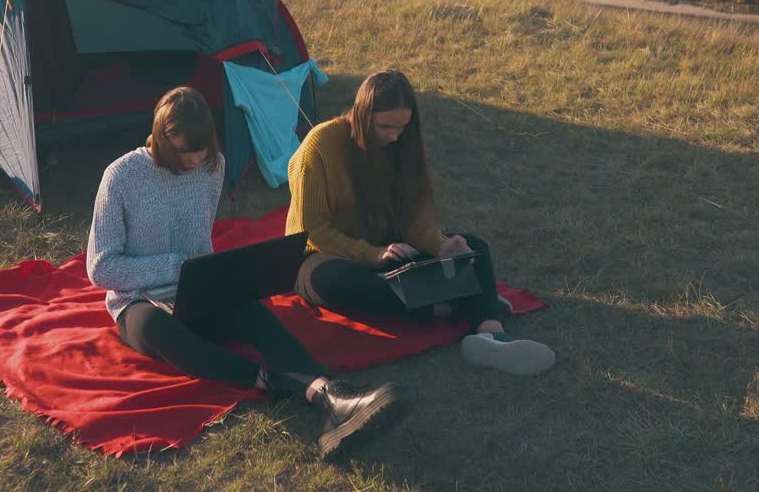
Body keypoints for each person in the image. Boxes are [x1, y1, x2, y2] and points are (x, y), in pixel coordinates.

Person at [87, 86, 401, 457]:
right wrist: (174, 265)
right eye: (186, 151)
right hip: (138, 301)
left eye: (202, 150)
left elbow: (199, 239)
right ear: (162, 138)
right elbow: (100, 267)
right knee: (157, 327)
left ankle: (331, 395)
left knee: (253, 311)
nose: (196, 160)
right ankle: (264, 379)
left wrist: (212, 274)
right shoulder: (121, 177)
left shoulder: (212, 165)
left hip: (196, 288)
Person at [287, 70, 556, 376]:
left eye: (402, 127)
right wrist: (373, 254)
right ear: (362, 115)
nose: (394, 136)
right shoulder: (321, 144)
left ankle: (491, 335)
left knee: (473, 248)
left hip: (387, 248)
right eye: (384, 126)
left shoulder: (402, 145)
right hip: (324, 255)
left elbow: (412, 220)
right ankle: (460, 305)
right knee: (337, 281)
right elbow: (313, 230)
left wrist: (439, 245)